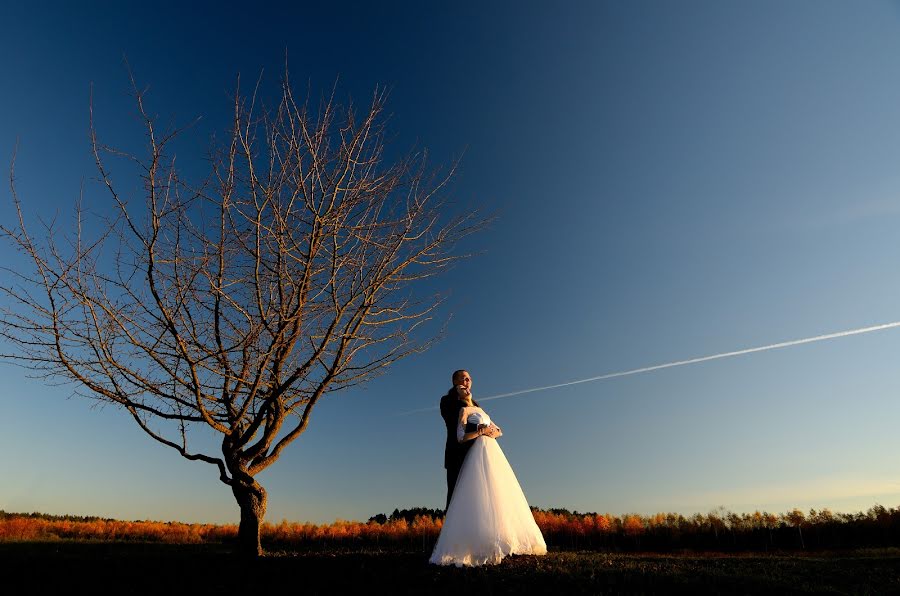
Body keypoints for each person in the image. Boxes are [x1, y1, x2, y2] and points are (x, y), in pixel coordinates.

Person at [430, 369, 547, 567]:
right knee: (456, 500)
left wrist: (489, 430)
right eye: (463, 378)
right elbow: (453, 424)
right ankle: (452, 546)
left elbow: (492, 427)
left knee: (486, 498)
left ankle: (489, 542)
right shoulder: (447, 400)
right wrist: (463, 402)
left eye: (469, 379)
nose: (468, 381)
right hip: (458, 455)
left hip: (481, 455)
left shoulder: (477, 405)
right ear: (455, 381)